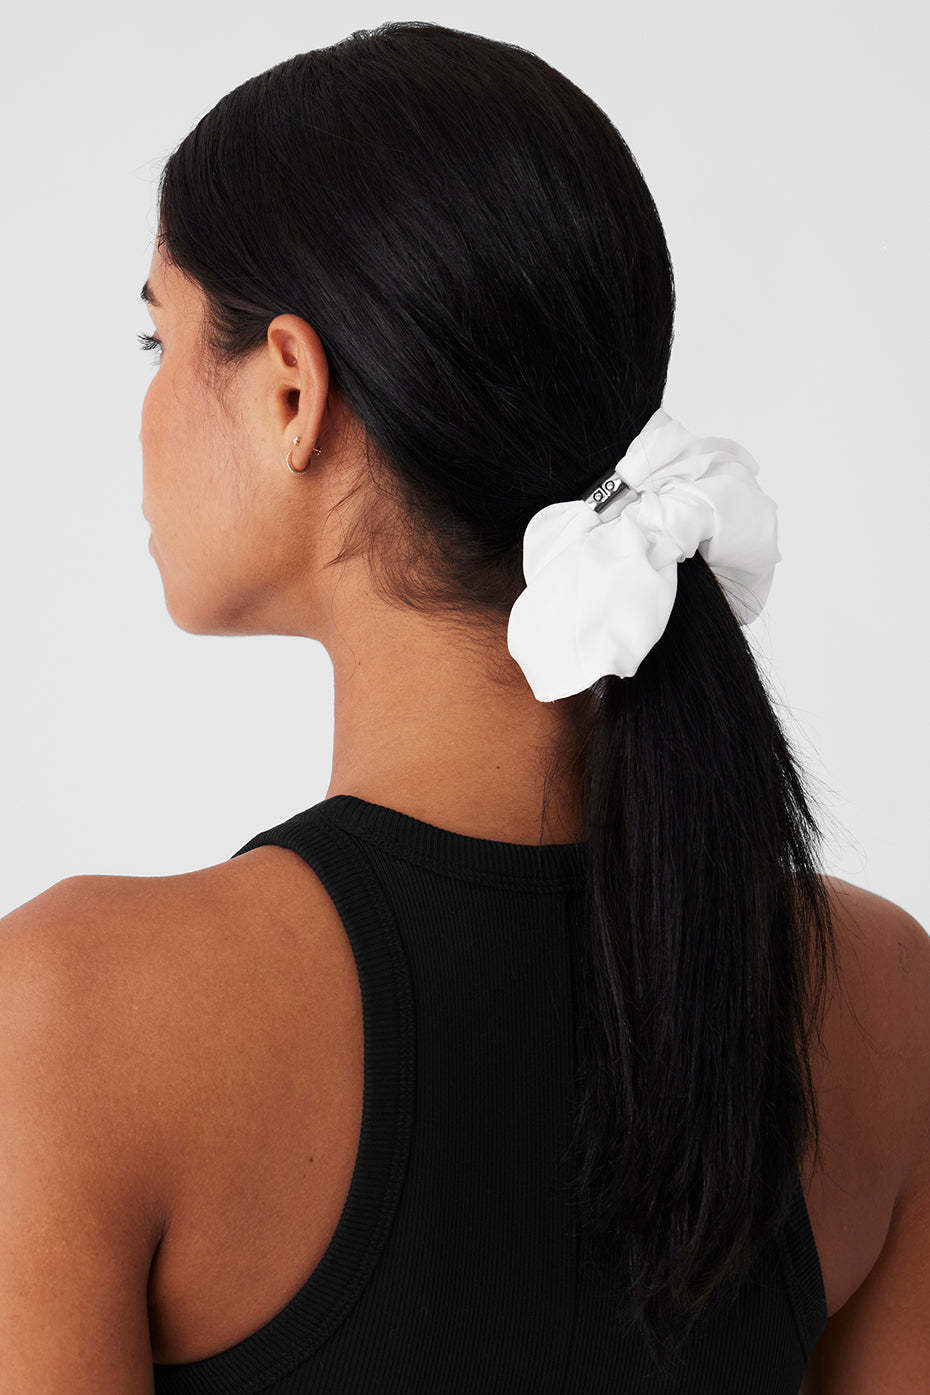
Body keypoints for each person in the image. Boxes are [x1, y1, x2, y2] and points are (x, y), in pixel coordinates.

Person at [1, 20, 927, 1394]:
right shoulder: (878, 998)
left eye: (160, 335)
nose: (141, 411)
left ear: (292, 389)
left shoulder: (76, 1017)